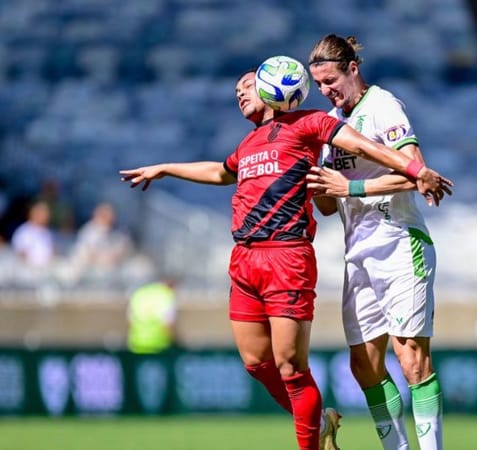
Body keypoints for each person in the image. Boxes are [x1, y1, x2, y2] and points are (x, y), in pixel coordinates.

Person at [120, 66, 452, 450]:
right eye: (236, 89)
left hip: (286, 255)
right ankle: (320, 420)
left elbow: (362, 146)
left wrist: (415, 169)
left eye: (248, 85)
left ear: (273, 88)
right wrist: (165, 168)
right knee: (256, 362)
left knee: (291, 367)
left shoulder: (309, 124)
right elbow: (220, 172)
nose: (239, 93)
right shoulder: (249, 143)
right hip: (244, 257)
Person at [306, 34, 452, 450]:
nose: (326, 91)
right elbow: (328, 207)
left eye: (331, 81)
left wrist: (349, 187)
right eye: (318, 85)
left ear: (353, 69)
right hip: (358, 253)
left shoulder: (382, 106)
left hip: (399, 243)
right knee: (364, 364)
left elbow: (416, 172)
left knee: (411, 359)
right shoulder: (331, 125)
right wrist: (313, 176)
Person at [127, 276, 178, 354]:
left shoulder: (139, 293)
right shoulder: (166, 296)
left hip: (136, 344)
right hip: (159, 345)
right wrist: (175, 341)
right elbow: (167, 324)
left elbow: (130, 321)